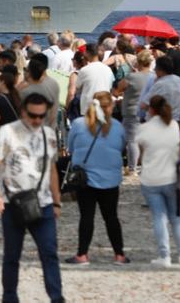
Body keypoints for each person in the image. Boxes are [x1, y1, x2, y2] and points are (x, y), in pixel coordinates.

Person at [0, 92, 63, 303]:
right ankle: (9, 298)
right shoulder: (7, 132)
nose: (37, 120)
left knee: (49, 253)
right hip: (13, 203)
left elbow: (52, 169)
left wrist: (57, 201)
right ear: (23, 112)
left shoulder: (49, 134)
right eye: (33, 115)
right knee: (12, 256)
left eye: (41, 116)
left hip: (43, 203)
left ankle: (56, 297)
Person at [65, 92, 128, 265]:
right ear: (110, 107)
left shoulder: (78, 124)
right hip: (110, 178)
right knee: (111, 217)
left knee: (86, 216)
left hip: (85, 178)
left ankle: (82, 254)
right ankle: (119, 254)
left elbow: (70, 147)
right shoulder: (117, 126)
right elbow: (122, 146)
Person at [136, 95, 180, 266]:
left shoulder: (143, 129)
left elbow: (140, 154)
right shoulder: (177, 127)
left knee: (159, 218)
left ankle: (164, 256)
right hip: (174, 178)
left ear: (150, 109)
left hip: (151, 178)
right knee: (176, 218)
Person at [117, 49, 153, 174]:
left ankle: (132, 168)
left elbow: (119, 88)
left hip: (132, 110)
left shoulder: (132, 76)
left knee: (132, 140)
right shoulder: (154, 76)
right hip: (149, 111)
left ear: (139, 62)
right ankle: (145, 167)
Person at [76, 44, 114, 110]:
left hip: (88, 107)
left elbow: (77, 87)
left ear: (87, 53)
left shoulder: (84, 70)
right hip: (104, 106)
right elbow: (110, 87)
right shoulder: (108, 69)